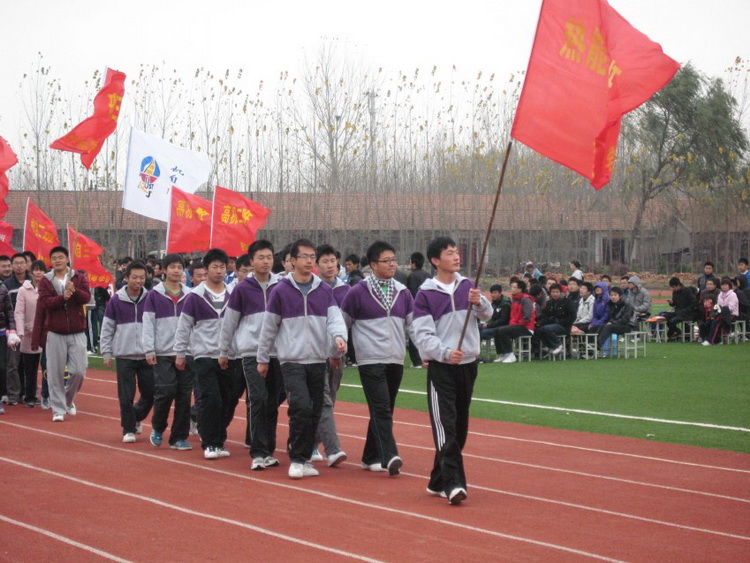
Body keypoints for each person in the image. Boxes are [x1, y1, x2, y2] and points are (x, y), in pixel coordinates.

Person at [256, 239, 348, 480]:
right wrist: (262, 358)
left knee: (315, 410)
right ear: (293, 261)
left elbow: (335, 320)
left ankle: (305, 457)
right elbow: (269, 327)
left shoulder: (324, 291)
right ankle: (297, 459)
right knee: (301, 407)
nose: (309, 261)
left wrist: (339, 340)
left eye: (312, 257)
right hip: (292, 360)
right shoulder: (281, 291)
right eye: (304, 257)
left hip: (317, 359)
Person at [412, 236, 491, 505]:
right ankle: (454, 483)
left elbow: (487, 315)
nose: (456, 257)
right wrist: (445, 353)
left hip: (468, 366)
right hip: (442, 368)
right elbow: (422, 335)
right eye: (449, 253)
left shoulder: (467, 285)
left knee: (460, 428)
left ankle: (437, 480)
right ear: (435, 260)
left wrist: (479, 302)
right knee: (446, 427)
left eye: (457, 252)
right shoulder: (425, 294)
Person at [341, 241, 414, 476]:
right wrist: (336, 351)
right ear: (373, 265)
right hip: (370, 359)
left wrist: (425, 352)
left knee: (385, 408)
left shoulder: (403, 292)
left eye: (394, 260)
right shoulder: (357, 292)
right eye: (386, 261)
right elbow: (343, 324)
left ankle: (369, 456)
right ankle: (389, 454)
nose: (392, 264)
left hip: (395, 358)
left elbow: (413, 326)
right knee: (381, 408)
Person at [219, 240, 283, 471]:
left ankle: (269, 450)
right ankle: (258, 452)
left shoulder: (281, 286)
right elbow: (230, 322)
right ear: (252, 261)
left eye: (269, 257)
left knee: (273, 402)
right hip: (251, 353)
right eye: (261, 258)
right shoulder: (242, 289)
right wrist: (224, 350)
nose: (266, 262)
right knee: (258, 399)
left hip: (277, 353)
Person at [175, 248, 244, 460]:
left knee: (228, 399)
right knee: (210, 398)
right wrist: (180, 352)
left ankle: (218, 438)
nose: (219, 271)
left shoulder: (234, 294)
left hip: (230, 355)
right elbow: (184, 326)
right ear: (206, 269)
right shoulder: (195, 296)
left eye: (222, 267)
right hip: (204, 355)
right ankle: (211, 443)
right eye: (215, 267)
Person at [142, 253, 194, 451]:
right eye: (172, 267)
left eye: (179, 267)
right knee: (166, 391)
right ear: (164, 270)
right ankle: (158, 426)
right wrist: (149, 349)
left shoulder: (190, 295)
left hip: (186, 352)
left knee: (184, 395)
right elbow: (148, 323)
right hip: (163, 352)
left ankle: (179, 437)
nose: (176, 271)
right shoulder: (154, 295)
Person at [34, 246, 90, 422]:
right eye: (54, 258)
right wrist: (62, 298)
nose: (57, 260)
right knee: (55, 373)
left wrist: (75, 291)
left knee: (79, 371)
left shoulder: (78, 278)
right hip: (55, 332)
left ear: (67, 259)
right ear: (51, 261)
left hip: (77, 331)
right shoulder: (46, 280)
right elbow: (45, 302)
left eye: (60, 257)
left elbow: (86, 298)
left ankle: (67, 399)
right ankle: (58, 409)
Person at [100, 261, 154, 443]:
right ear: (126, 278)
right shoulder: (116, 300)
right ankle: (128, 429)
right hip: (125, 355)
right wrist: (106, 352)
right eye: (134, 277)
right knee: (126, 395)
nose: (138, 281)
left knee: (151, 393)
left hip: (147, 355)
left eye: (142, 278)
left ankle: (136, 416)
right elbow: (107, 327)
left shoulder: (150, 298)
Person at [310, 243, 350, 468]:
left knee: (330, 399)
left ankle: (311, 442)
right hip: (314, 353)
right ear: (316, 265)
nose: (329, 265)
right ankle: (326, 447)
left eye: (332, 261)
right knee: (320, 399)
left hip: (338, 353)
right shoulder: (311, 289)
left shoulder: (346, 291)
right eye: (324, 261)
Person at [14, 260, 45, 408]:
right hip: (29, 333)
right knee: (30, 368)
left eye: (41, 270)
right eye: (36, 270)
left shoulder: (49, 288)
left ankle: (47, 394)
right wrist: (20, 331)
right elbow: (19, 312)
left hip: (46, 333)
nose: (38, 272)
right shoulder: (24, 290)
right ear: (31, 272)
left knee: (48, 367)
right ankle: (30, 396)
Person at [3, 253, 30, 405]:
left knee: (29, 363)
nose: (19, 266)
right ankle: (13, 394)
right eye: (16, 263)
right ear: (12, 266)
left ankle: (28, 393)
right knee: (13, 363)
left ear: (27, 265)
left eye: (22, 263)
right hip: (13, 330)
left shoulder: (32, 283)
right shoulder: (7, 285)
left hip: (30, 329)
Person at [493, 279, 535, 364]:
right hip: (516, 325)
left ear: (520, 289)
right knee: (496, 330)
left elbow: (527, 316)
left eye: (514, 287)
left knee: (503, 330)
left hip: (526, 327)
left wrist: (517, 323)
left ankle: (510, 354)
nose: (512, 289)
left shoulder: (526, 300)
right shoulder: (514, 300)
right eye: (512, 287)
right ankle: (502, 353)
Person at [534, 283, 577, 356]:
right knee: (538, 330)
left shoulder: (567, 301)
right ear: (550, 293)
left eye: (557, 292)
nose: (555, 294)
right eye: (553, 292)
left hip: (564, 326)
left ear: (560, 292)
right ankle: (550, 346)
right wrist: (538, 322)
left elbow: (572, 316)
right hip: (552, 325)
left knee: (547, 329)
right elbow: (545, 315)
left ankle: (558, 345)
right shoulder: (549, 303)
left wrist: (560, 321)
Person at [406, 252, 431, 368]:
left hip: (416, 310)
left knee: (414, 333)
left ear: (414, 264)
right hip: (429, 309)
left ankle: (417, 361)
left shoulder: (412, 276)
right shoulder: (428, 275)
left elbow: (411, 294)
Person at [596, 286, 636, 353]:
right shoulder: (611, 304)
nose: (613, 297)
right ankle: (594, 343)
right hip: (616, 324)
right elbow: (611, 317)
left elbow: (625, 319)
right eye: (611, 295)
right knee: (601, 325)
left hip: (627, 325)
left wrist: (612, 322)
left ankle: (597, 346)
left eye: (615, 295)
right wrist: (611, 321)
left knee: (608, 327)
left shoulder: (627, 305)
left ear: (620, 296)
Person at [0, 278, 18, 413]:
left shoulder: (2, 288)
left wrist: (12, 329)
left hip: (1, 333)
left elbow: (9, 311)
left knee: (2, 367)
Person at [705, 278, 739, 345]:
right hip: (721, 314)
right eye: (722, 285)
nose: (724, 287)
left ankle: (710, 341)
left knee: (716, 322)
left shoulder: (733, 295)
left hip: (731, 314)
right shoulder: (720, 294)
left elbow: (731, 308)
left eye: (726, 285)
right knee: (710, 321)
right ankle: (717, 341)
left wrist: (722, 309)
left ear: (729, 286)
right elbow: (718, 305)